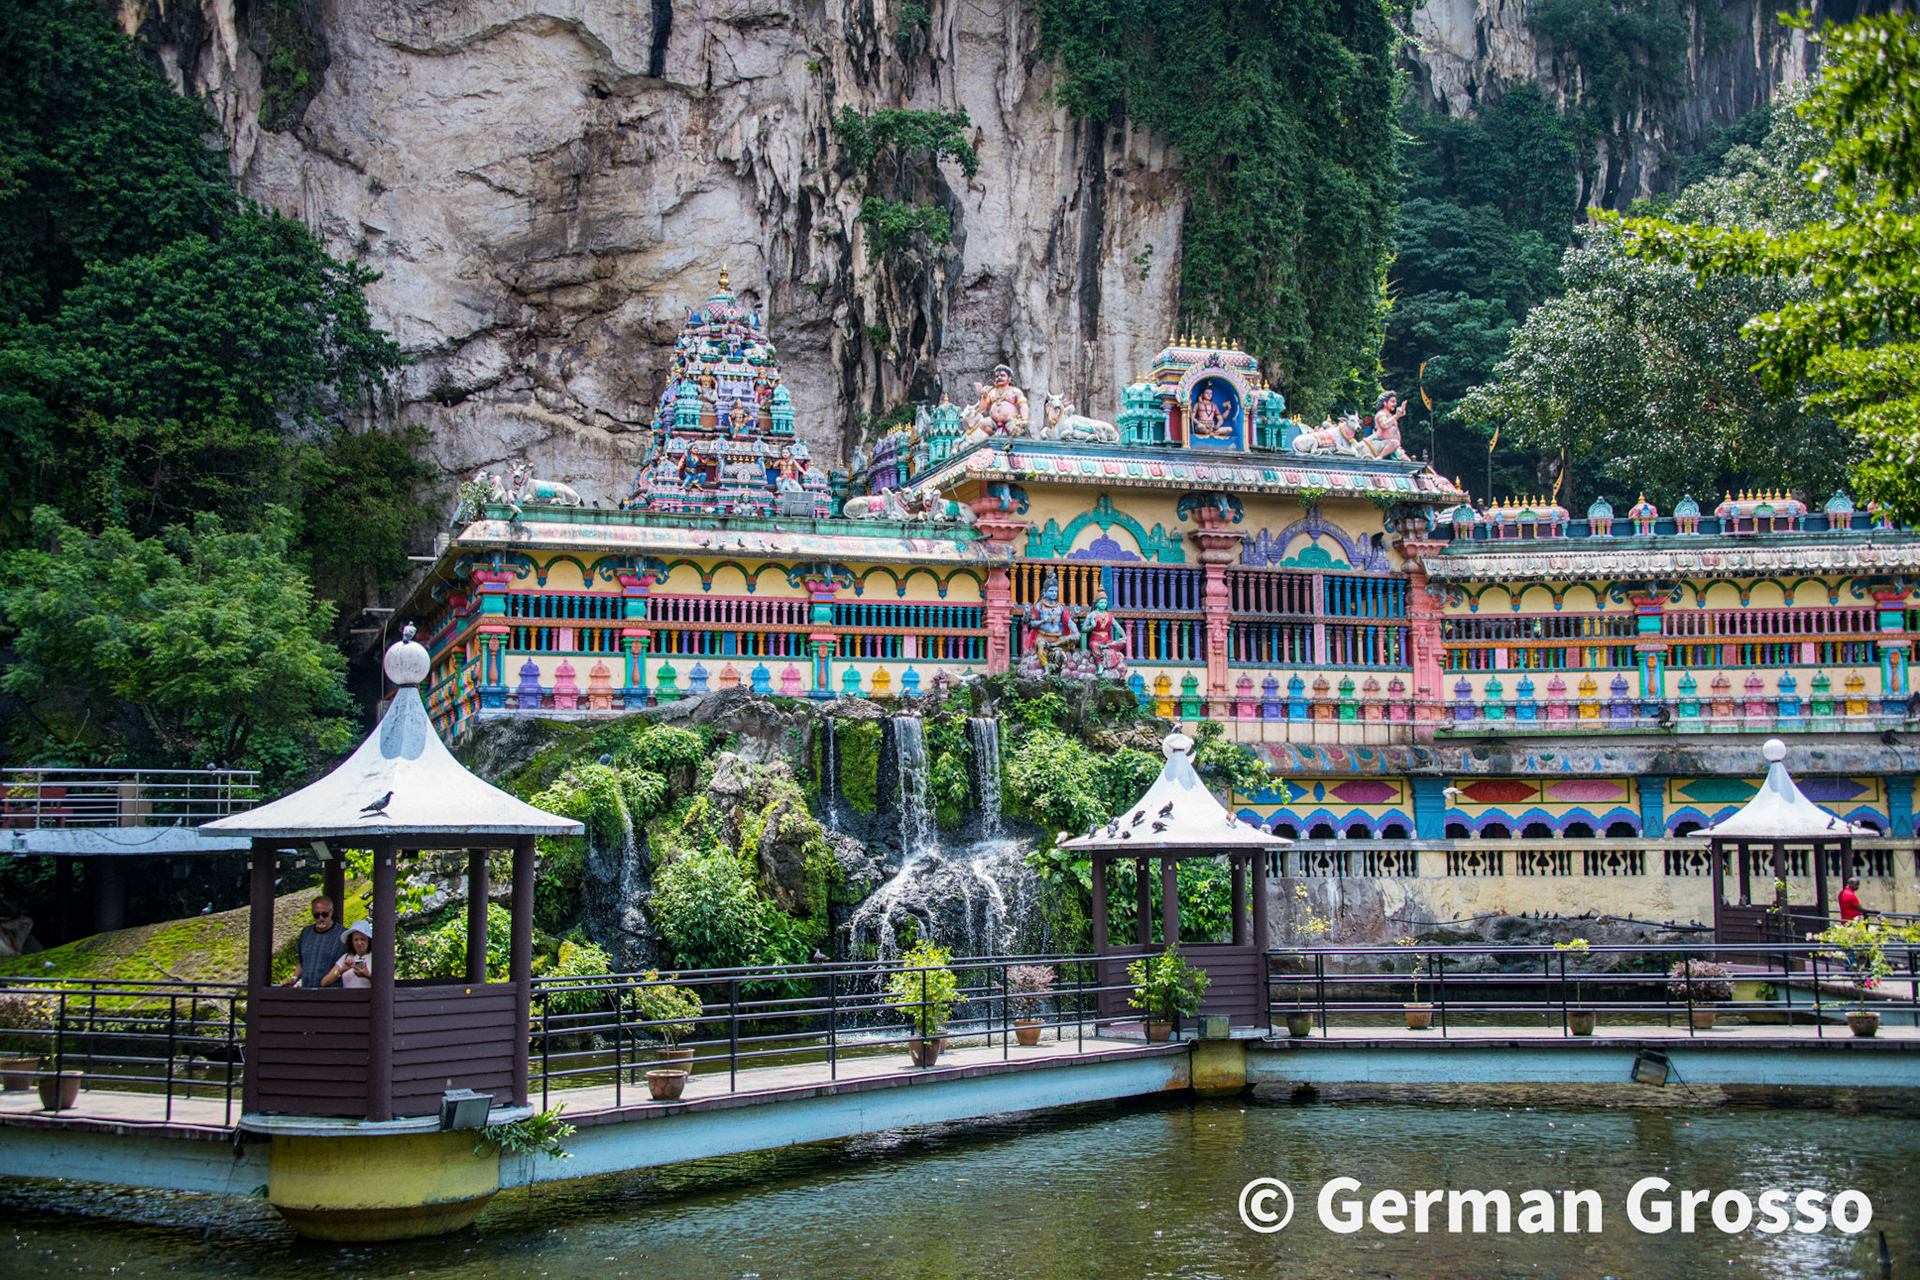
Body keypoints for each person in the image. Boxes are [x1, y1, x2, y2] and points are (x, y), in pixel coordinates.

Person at [281, 895, 344, 989]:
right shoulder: (305, 933)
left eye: (324, 914)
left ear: (331, 912)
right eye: (316, 915)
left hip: (332, 992)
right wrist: (294, 979)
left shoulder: (343, 935)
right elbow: (301, 961)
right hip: (307, 991)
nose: (320, 918)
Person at [322, 921, 374, 989]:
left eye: (362, 939)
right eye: (356, 940)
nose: (359, 943)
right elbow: (324, 982)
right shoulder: (346, 957)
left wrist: (368, 976)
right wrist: (340, 970)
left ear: (368, 941)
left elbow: (384, 983)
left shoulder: (375, 957)